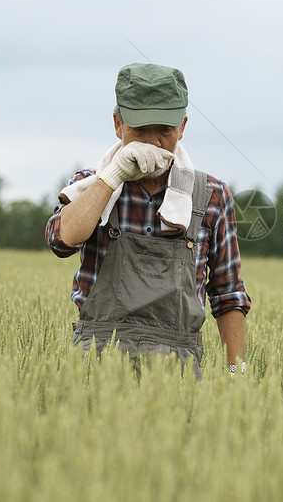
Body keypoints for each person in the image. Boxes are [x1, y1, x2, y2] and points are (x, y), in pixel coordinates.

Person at [45, 63, 251, 379]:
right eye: (140, 131)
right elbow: (62, 240)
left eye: (165, 131)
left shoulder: (211, 196)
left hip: (177, 376)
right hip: (95, 368)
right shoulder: (91, 185)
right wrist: (112, 177)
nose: (153, 144)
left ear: (182, 127)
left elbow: (228, 294)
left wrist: (238, 374)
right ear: (118, 124)